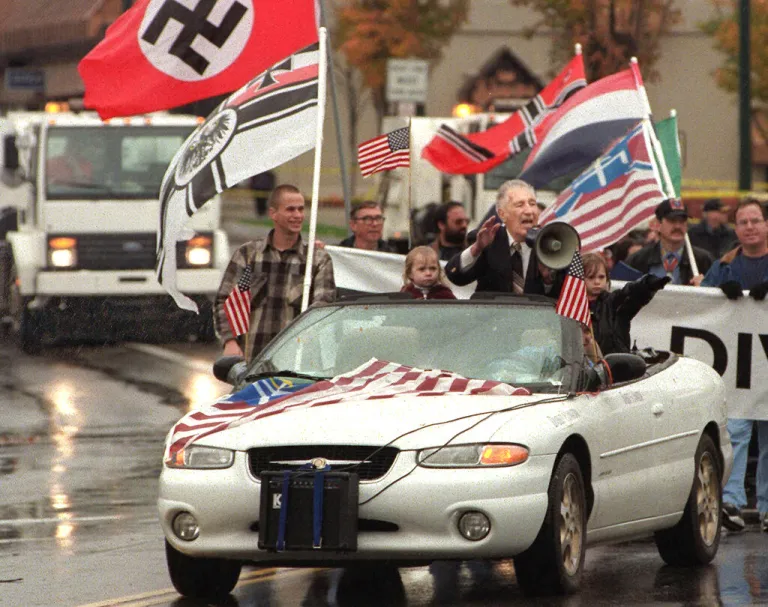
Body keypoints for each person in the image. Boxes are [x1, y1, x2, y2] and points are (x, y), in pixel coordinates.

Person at [700, 198, 768, 533]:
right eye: (743, 222)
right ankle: (733, 503)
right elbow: (699, 306)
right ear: (736, 228)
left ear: (766, 225)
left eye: (756, 220)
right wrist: (714, 292)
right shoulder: (723, 266)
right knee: (737, 433)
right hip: (738, 368)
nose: (750, 227)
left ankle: (767, 506)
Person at [214, 185, 336, 361]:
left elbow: (323, 307)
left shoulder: (317, 260)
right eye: (290, 209)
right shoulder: (248, 255)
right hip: (253, 360)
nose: (298, 215)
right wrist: (230, 341)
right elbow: (225, 301)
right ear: (273, 214)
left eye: (301, 209)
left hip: (299, 361)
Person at [445, 179, 563, 297]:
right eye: (519, 205)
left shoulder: (550, 243)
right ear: (502, 214)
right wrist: (477, 248)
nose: (529, 211)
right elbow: (456, 277)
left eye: (532, 204)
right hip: (493, 315)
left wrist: (548, 280)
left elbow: (563, 297)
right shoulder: (487, 240)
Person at [582, 252, 669, 356]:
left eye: (601, 277)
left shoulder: (614, 302)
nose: (597, 282)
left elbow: (631, 293)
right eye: (591, 277)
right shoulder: (571, 308)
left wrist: (648, 284)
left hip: (618, 367)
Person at [625, 199, 712, 286]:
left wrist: (707, 287)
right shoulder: (638, 260)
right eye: (672, 220)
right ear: (658, 225)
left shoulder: (702, 261)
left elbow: (718, 295)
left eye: (682, 221)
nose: (678, 226)